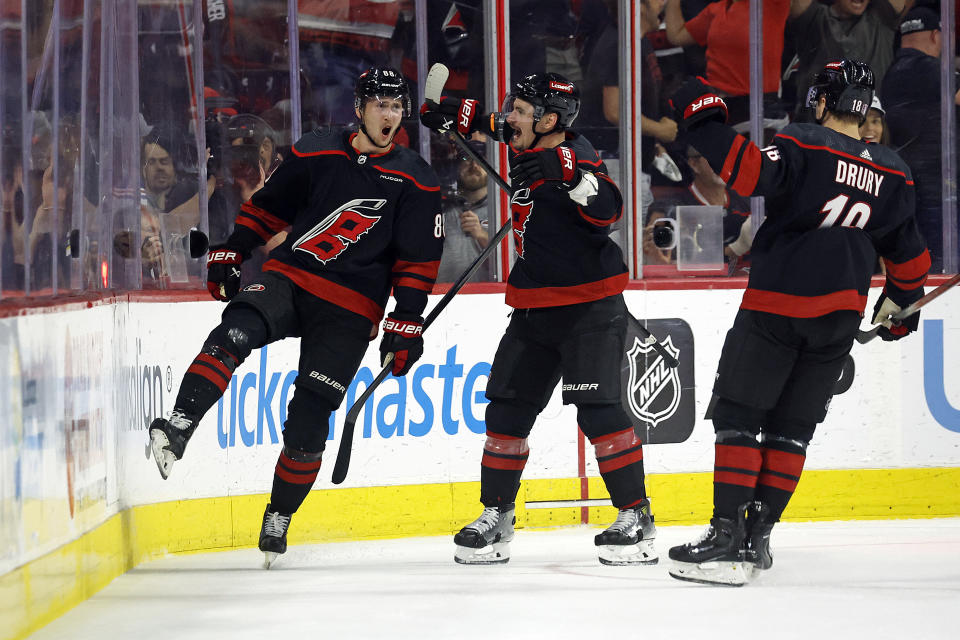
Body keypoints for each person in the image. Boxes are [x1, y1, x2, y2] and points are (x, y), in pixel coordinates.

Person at [148, 67, 444, 567]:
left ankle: (279, 516)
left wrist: (406, 323)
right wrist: (233, 250)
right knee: (232, 333)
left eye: (397, 106)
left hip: (352, 307)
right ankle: (178, 427)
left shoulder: (417, 177)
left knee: (308, 419)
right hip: (291, 276)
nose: (389, 115)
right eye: (380, 105)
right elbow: (269, 209)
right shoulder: (317, 149)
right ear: (359, 108)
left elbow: (416, 263)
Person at [666, 59, 929, 586]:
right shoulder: (893, 170)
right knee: (791, 432)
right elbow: (909, 257)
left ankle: (726, 540)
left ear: (825, 101)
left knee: (739, 418)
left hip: (777, 306)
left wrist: (703, 119)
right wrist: (902, 305)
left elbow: (746, 171)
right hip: (839, 316)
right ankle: (758, 538)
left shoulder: (804, 141)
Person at [420, 72, 657, 566]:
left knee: (600, 412)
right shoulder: (523, 133)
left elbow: (608, 207)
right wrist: (445, 112)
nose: (510, 117)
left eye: (520, 110)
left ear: (549, 120)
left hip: (589, 305)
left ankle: (636, 516)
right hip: (534, 304)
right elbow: (485, 122)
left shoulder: (580, 153)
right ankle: (497, 515)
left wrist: (568, 174)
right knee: (506, 409)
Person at [881, 5, 960, 273]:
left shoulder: (891, 74)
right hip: (939, 195)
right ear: (937, 36)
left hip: (907, 189)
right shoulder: (930, 70)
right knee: (942, 270)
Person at [787, 0, 908, 112]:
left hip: (868, 126)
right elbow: (798, 6)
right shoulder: (815, 17)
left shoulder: (882, 18)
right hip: (817, 128)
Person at [437, 139, 492, 283]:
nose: (474, 165)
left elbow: (514, 259)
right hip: (439, 295)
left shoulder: (502, 211)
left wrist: (481, 234)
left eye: (481, 160)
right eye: (467, 159)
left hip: (487, 297)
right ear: (457, 166)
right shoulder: (439, 208)